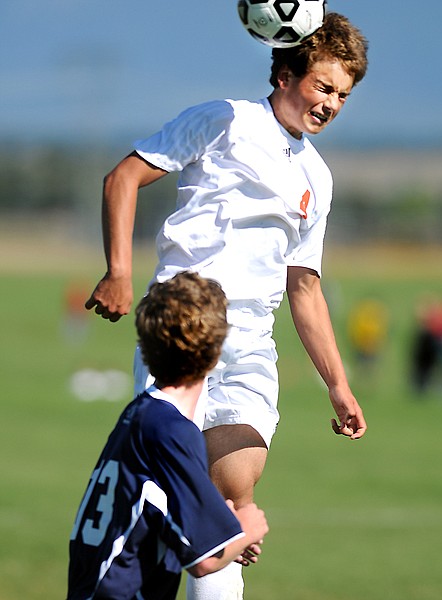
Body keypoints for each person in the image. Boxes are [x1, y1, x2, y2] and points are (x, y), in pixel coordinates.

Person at [85, 12, 369, 599]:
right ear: (286, 73)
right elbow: (123, 177)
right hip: (183, 325)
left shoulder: (318, 176)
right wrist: (118, 271)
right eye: (323, 86)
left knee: (235, 496)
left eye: (343, 94)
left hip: (250, 343)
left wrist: (338, 386)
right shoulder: (226, 120)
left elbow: (306, 289)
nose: (331, 103)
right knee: (174, 500)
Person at [68, 271, 269, 600]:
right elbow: (203, 562)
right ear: (217, 355)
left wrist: (229, 538)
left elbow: (164, 518)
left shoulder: (144, 415)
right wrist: (249, 526)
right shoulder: (174, 431)